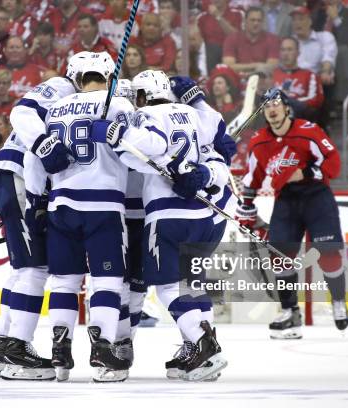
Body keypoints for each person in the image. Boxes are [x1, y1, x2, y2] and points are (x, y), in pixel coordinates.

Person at [88, 69, 231, 381]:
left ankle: (204, 344)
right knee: (190, 283)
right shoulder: (193, 115)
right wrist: (204, 174)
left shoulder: (146, 115)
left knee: (167, 285)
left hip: (166, 214)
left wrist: (117, 134)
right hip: (200, 213)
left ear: (142, 96)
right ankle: (200, 350)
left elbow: (149, 146)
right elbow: (216, 147)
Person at [0, 52, 87, 380]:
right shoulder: (61, 87)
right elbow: (21, 113)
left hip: (12, 178)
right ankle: (18, 348)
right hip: (17, 177)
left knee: (21, 270)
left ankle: (3, 347)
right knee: (34, 267)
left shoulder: (76, 99)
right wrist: (44, 146)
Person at [42, 51, 134, 382]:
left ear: (78, 79)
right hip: (103, 206)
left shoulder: (55, 110)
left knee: (64, 281)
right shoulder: (119, 106)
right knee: (106, 281)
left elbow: (47, 160)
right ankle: (103, 349)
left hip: (61, 205)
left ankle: (60, 351)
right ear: (109, 79)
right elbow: (135, 156)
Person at [237, 88, 348, 339]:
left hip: (317, 196)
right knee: (279, 255)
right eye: (266, 106)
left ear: (287, 108)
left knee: (328, 253)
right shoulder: (259, 142)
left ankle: (338, 301)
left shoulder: (309, 131)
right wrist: (247, 206)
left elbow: (333, 162)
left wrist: (307, 173)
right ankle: (290, 312)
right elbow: (252, 178)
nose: (272, 109)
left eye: (276, 104)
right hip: (286, 200)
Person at [273, 36, 324, 122]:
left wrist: (289, 101)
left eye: (289, 50)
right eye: (283, 50)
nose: (286, 53)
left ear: (298, 53)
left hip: (300, 119)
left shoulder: (309, 75)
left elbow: (316, 100)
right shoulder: (273, 74)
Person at [221, 6, 280, 77]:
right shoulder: (232, 39)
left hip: (262, 81)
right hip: (237, 81)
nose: (256, 23)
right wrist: (256, 66)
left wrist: (245, 71)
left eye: (259, 20)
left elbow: (272, 66)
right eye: (252, 20)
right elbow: (228, 66)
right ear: (245, 21)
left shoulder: (272, 39)